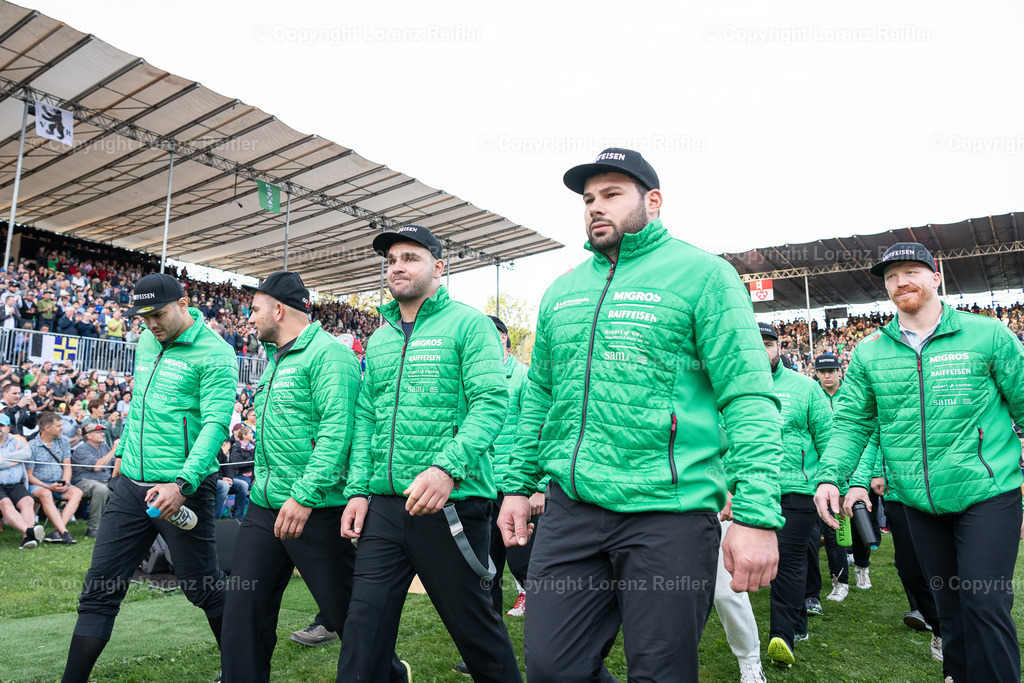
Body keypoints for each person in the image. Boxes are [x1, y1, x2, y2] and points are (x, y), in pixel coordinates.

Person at [498, 148, 783, 682]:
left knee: (660, 673)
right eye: (588, 199)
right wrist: (516, 484)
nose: (595, 208)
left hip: (667, 514)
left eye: (611, 195)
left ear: (652, 201)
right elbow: (539, 394)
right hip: (571, 510)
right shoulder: (563, 290)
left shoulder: (705, 276)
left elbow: (749, 398)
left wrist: (756, 514)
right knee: (552, 669)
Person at [814, 242, 1024, 683]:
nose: (900, 281)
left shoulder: (987, 335)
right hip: (916, 501)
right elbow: (852, 421)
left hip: (986, 493)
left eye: (911, 271)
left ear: (935, 277)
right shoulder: (871, 352)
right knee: (949, 607)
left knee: (984, 603)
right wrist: (830, 477)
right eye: (891, 276)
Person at [337, 226, 519, 682]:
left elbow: (491, 403)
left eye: (410, 257)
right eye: (392, 259)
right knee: (363, 630)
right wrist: (358, 491)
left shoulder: (469, 323)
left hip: (451, 504)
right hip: (383, 508)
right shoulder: (378, 340)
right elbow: (366, 420)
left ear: (439, 267)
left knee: (477, 634)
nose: (397, 266)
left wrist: (446, 469)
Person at [61, 273, 237, 683]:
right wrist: (122, 451)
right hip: (130, 488)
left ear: (184, 302)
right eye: (143, 317)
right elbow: (139, 405)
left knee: (203, 588)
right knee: (100, 588)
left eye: (157, 314)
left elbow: (215, 424)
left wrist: (183, 483)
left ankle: (240, 669)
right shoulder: (145, 340)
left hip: (182, 491)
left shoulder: (216, 353)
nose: (151, 324)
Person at [221, 271, 385, 683]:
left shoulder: (331, 355)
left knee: (347, 614)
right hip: (264, 504)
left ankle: (390, 675)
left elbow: (338, 431)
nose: (249, 317)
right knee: (243, 608)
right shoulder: (274, 360)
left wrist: (304, 494)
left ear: (279, 309)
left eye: (255, 309)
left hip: (317, 508)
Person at [451, 315, 544, 676]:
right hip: (484, 488)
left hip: (515, 488)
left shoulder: (524, 377)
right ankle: (490, 652)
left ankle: (548, 645)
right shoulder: (470, 375)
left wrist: (535, 485)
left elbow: (537, 427)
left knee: (524, 565)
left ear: (503, 340)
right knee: (485, 573)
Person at [752, 323, 833, 668]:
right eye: (755, 345)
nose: (762, 351)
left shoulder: (805, 388)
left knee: (787, 562)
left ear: (778, 348)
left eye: (769, 344)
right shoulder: (731, 388)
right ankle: (797, 623)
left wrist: (830, 481)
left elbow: (828, 437)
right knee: (764, 565)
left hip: (797, 492)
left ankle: (781, 636)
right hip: (751, 492)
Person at [27, 411, 82, 544]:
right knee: (46, 494)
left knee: (77, 492)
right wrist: (48, 486)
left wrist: (66, 482)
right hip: (39, 485)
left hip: (59, 484)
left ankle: (58, 531)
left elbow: (67, 466)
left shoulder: (63, 441)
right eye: (58, 426)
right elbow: (29, 476)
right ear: (47, 428)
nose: (62, 428)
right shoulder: (31, 445)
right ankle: (64, 532)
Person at [0, 413, 44, 548]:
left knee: (28, 501)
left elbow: (26, 454)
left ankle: (27, 539)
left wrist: (4, 459)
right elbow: (20, 457)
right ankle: (29, 532)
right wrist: (14, 461)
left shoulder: (18, 439)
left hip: (15, 484)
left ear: (8, 427)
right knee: (6, 504)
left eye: (1, 426)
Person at [70, 423, 115, 538]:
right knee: (101, 490)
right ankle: (93, 529)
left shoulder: (105, 447)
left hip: (105, 481)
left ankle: (115, 527)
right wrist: (114, 449)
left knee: (123, 488)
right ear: (89, 436)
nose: (102, 434)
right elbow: (96, 466)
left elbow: (114, 464)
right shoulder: (80, 450)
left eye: (102, 432)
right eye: (99, 432)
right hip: (84, 481)